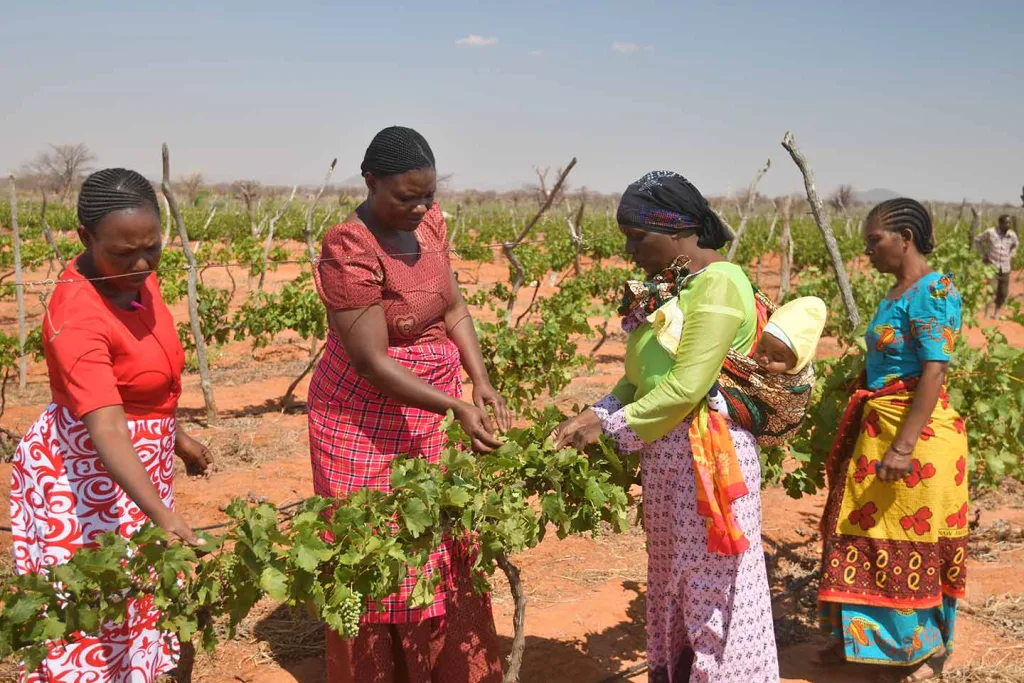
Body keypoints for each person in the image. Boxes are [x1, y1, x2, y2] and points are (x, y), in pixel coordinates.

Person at [552, 171, 779, 682]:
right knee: (676, 584)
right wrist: (594, 412)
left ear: (677, 230)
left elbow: (687, 388)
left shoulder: (720, 283)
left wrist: (608, 430)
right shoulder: (680, 287)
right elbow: (642, 378)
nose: (631, 250)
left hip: (710, 463)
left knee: (713, 595)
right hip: (669, 458)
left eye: (638, 237)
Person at [309, 126, 510, 683]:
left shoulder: (432, 222)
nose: (420, 207)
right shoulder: (349, 247)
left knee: (439, 530)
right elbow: (372, 361)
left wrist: (480, 380)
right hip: (362, 413)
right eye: (405, 197)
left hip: (436, 402)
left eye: (428, 194)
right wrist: (455, 408)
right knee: (375, 539)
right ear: (370, 181)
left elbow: (454, 306)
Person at [10, 169, 212, 682]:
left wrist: (176, 437)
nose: (142, 263)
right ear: (85, 238)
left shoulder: (139, 277)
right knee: (94, 607)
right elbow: (109, 429)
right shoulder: (77, 314)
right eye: (124, 253)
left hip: (139, 469)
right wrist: (163, 515)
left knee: (135, 593)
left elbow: (144, 383)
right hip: (85, 475)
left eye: (152, 247)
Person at [818, 198, 968, 682]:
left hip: (917, 438)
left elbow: (934, 369)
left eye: (874, 241)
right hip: (880, 424)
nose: (868, 252)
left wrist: (903, 447)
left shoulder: (934, 289)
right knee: (861, 530)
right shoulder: (895, 293)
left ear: (905, 238)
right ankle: (863, 641)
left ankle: (910, 652)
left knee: (904, 538)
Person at [707, 296, 827, 417]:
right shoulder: (746, 364)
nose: (764, 358)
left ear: (797, 363)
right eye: (762, 349)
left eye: (777, 358)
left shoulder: (796, 386)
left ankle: (730, 409)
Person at [974, 214, 1018, 318]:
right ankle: (987, 314)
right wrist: (984, 254)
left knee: (1003, 292)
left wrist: (1011, 255)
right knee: (991, 290)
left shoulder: (1012, 235)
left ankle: (997, 311)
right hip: (992, 266)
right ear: (1000, 223)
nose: (1008, 225)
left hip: (1005, 267)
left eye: (1009, 223)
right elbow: (977, 240)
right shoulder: (990, 232)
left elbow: (1016, 245)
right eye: (1006, 222)